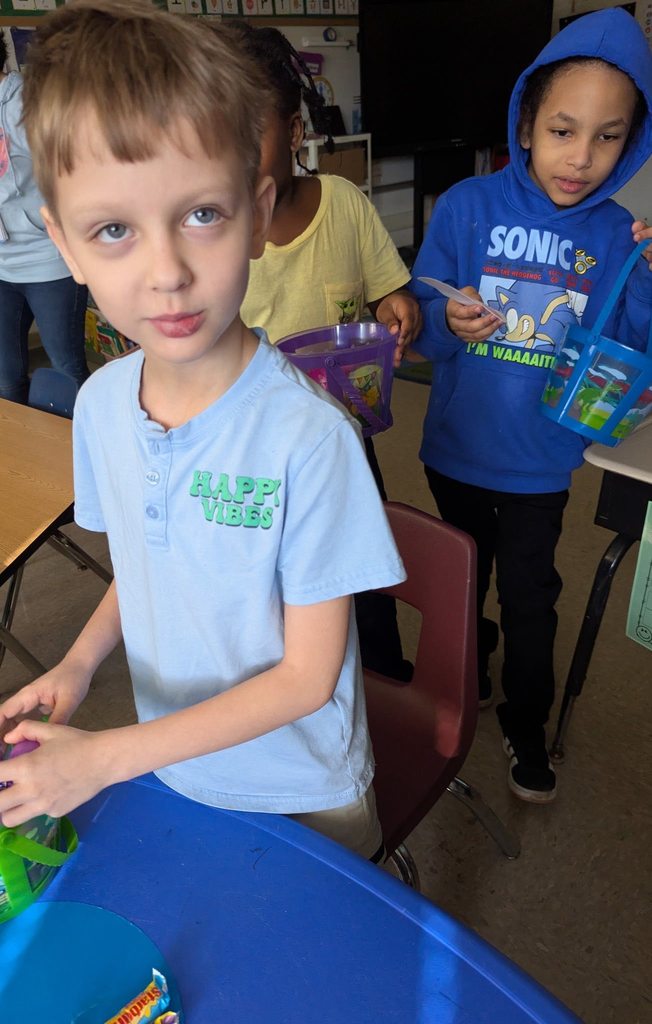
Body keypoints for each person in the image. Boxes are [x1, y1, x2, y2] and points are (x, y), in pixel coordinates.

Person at [0, 0, 407, 863]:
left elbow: (305, 679)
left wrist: (107, 759)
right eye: (114, 230)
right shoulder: (105, 405)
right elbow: (148, 571)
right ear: (63, 246)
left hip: (303, 795)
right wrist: (78, 663)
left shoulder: (311, 438)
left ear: (258, 212)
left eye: (201, 215)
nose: (168, 273)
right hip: (181, 766)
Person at [409, 7, 652, 803]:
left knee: (530, 594)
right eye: (562, 130)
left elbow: (625, 351)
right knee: (456, 580)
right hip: (455, 445)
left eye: (609, 136)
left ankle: (526, 718)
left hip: (543, 461)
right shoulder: (466, 205)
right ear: (525, 124)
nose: (581, 158)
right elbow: (422, 321)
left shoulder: (622, 234)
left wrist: (649, 280)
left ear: (634, 140)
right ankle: (464, 671)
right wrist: (444, 316)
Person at [220, 21, 422, 682]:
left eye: (250, 130)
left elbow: (388, 287)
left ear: (297, 131)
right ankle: (293, 690)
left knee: (363, 578)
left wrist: (397, 307)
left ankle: (386, 681)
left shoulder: (344, 203)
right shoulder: (210, 238)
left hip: (343, 441)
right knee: (272, 590)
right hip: (252, 457)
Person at [0, 31, 88, 404]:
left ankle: (89, 445)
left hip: (47, 261)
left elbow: (75, 169)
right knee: (5, 378)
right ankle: (21, 458)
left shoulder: (27, 104)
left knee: (67, 367)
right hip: (2, 264)